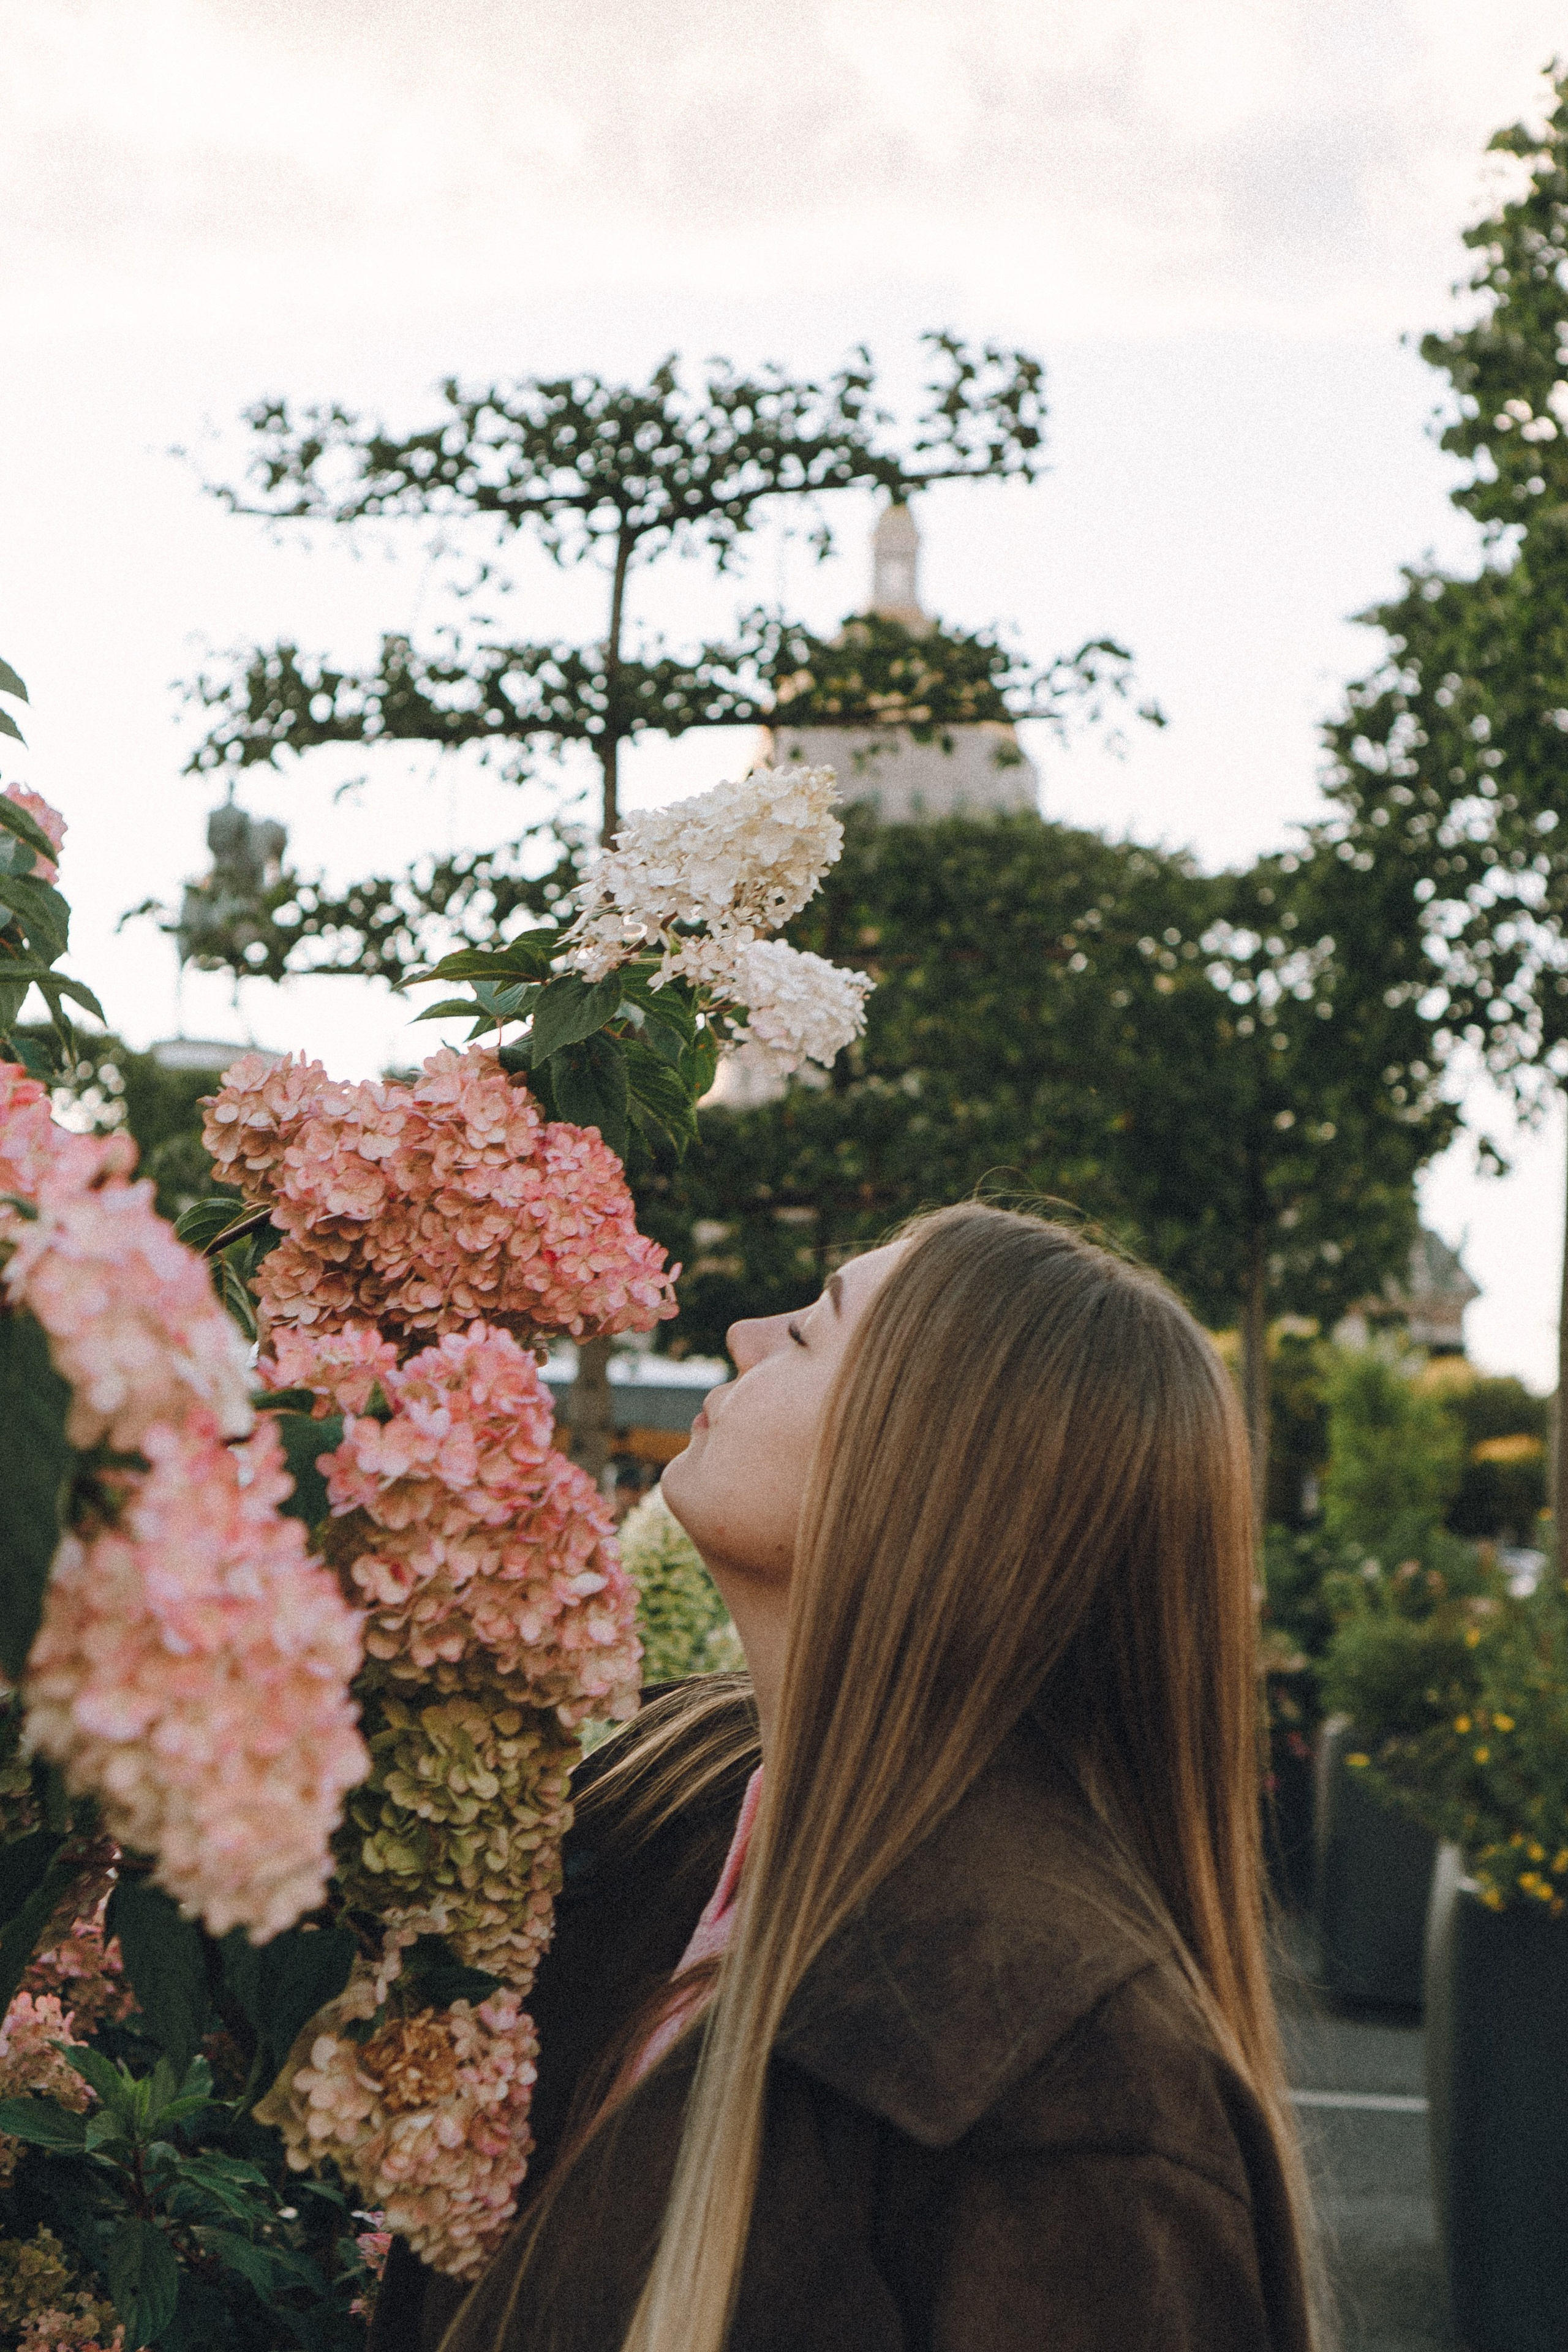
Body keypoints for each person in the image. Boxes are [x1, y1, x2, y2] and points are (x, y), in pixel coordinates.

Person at [371, 1204, 1324, 2352]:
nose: (740, 1336)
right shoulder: (679, 1789)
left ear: (927, 1470)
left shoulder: (1083, 2081)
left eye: (811, 1331)